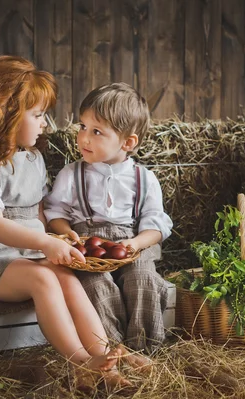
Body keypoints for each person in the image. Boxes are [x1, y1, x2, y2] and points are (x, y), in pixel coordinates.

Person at [0, 55, 128, 389]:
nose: (46, 123)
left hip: (27, 251)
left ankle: (104, 357)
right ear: (6, 113)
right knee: (44, 280)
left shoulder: (32, 158)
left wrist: (55, 235)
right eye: (37, 115)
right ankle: (80, 363)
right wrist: (44, 243)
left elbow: (38, 210)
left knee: (66, 276)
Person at [44, 83, 173, 360]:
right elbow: (55, 213)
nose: (84, 138)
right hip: (88, 248)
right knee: (95, 285)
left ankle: (144, 348)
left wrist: (136, 243)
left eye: (97, 132)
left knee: (143, 279)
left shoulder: (144, 178)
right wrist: (68, 235)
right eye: (82, 126)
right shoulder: (71, 174)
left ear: (128, 142)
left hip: (130, 246)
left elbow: (157, 223)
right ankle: (114, 352)